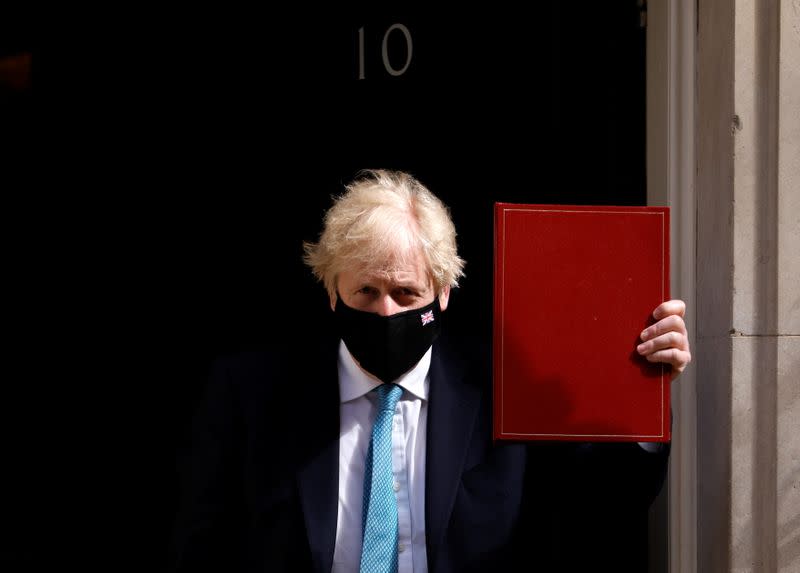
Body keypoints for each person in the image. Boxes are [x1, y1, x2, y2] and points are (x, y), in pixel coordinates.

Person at [170, 169, 691, 572]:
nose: (387, 313)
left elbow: (606, 503)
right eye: (365, 292)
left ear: (443, 292)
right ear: (332, 292)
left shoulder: (505, 388)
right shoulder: (252, 395)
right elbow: (202, 541)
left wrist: (643, 383)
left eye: (406, 293)